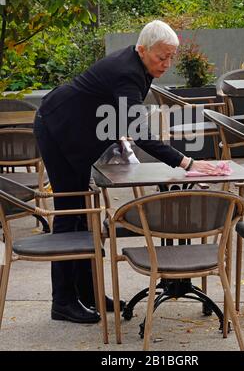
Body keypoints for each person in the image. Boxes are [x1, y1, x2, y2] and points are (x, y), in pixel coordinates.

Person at [34, 20, 216, 324]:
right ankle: (62, 301)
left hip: (74, 132)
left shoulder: (137, 66)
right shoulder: (127, 72)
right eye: (161, 57)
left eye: (171, 57)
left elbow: (115, 110)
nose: (167, 64)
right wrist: (187, 163)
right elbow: (139, 130)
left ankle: (88, 294)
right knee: (70, 214)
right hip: (57, 129)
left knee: (85, 214)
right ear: (142, 50)